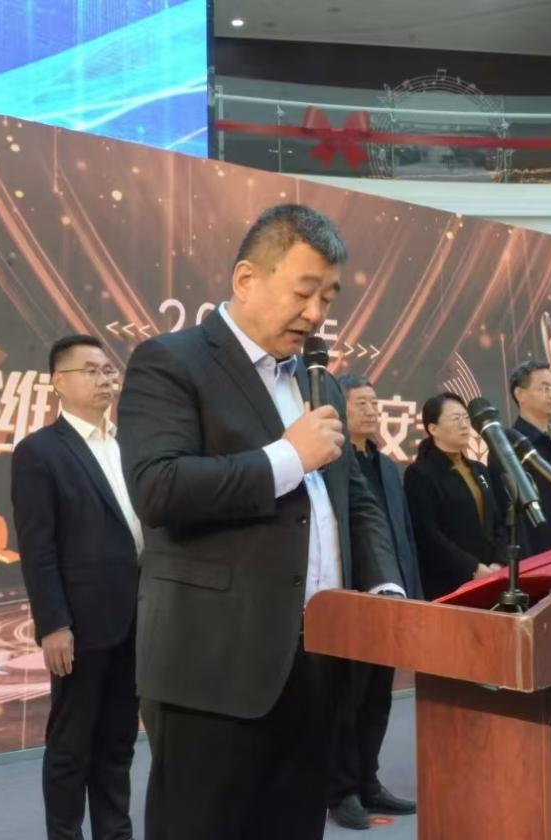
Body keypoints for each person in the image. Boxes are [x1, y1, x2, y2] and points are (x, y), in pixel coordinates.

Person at [116, 204, 405, 840]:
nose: (316, 313)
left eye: (329, 296)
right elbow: (159, 487)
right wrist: (288, 457)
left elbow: (353, 498)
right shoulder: (170, 362)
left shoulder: (319, 382)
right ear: (247, 279)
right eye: (304, 291)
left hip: (317, 663)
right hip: (214, 669)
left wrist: (384, 586)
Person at [11, 335, 144, 840]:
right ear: (58, 383)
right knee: (71, 746)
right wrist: (53, 624)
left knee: (118, 742)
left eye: (109, 370)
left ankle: (115, 833)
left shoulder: (131, 445)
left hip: (137, 617)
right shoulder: (39, 452)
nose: (105, 379)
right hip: (80, 626)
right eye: (91, 370)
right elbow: (38, 548)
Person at [327, 374, 420, 831]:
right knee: (347, 698)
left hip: (390, 596)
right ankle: (341, 790)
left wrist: (409, 590)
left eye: (373, 402)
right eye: (360, 403)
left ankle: (369, 780)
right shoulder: (332, 463)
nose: (370, 410)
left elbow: (401, 534)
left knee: (379, 696)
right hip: (350, 596)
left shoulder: (385, 464)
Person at [405, 392, 507, 601]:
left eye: (466, 418)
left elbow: (497, 522)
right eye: (455, 419)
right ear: (433, 429)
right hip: (450, 583)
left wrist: (498, 562)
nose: (464, 424)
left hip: (491, 578)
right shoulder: (420, 474)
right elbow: (428, 534)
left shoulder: (479, 469)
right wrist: (472, 567)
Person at [488, 360, 551, 558]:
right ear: (520, 394)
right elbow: (506, 513)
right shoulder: (508, 447)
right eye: (544, 388)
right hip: (536, 561)